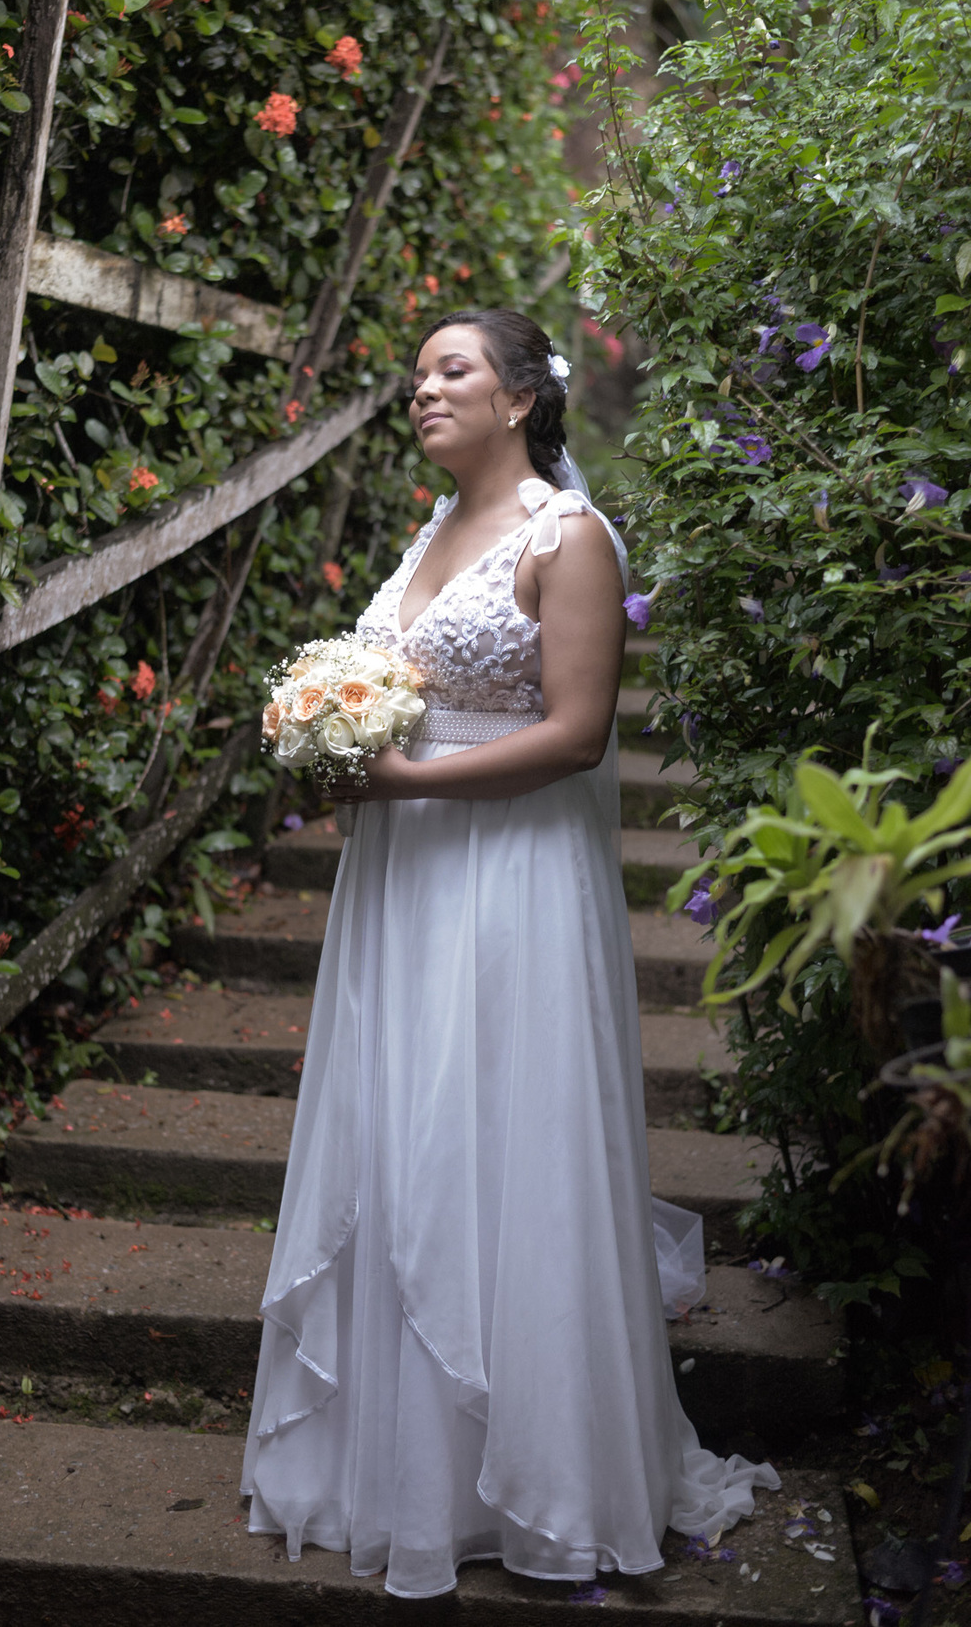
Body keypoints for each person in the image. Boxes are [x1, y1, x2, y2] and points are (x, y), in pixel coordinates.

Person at [240, 308, 779, 1599]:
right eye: (418, 372)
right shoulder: (429, 534)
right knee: (399, 1137)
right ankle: (397, 1469)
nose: (423, 388)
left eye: (452, 368)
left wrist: (405, 781)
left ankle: (539, 1468)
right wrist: (329, 731)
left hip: (509, 877)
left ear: (524, 396)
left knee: (495, 1134)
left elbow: (582, 735)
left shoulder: (569, 536)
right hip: (405, 880)